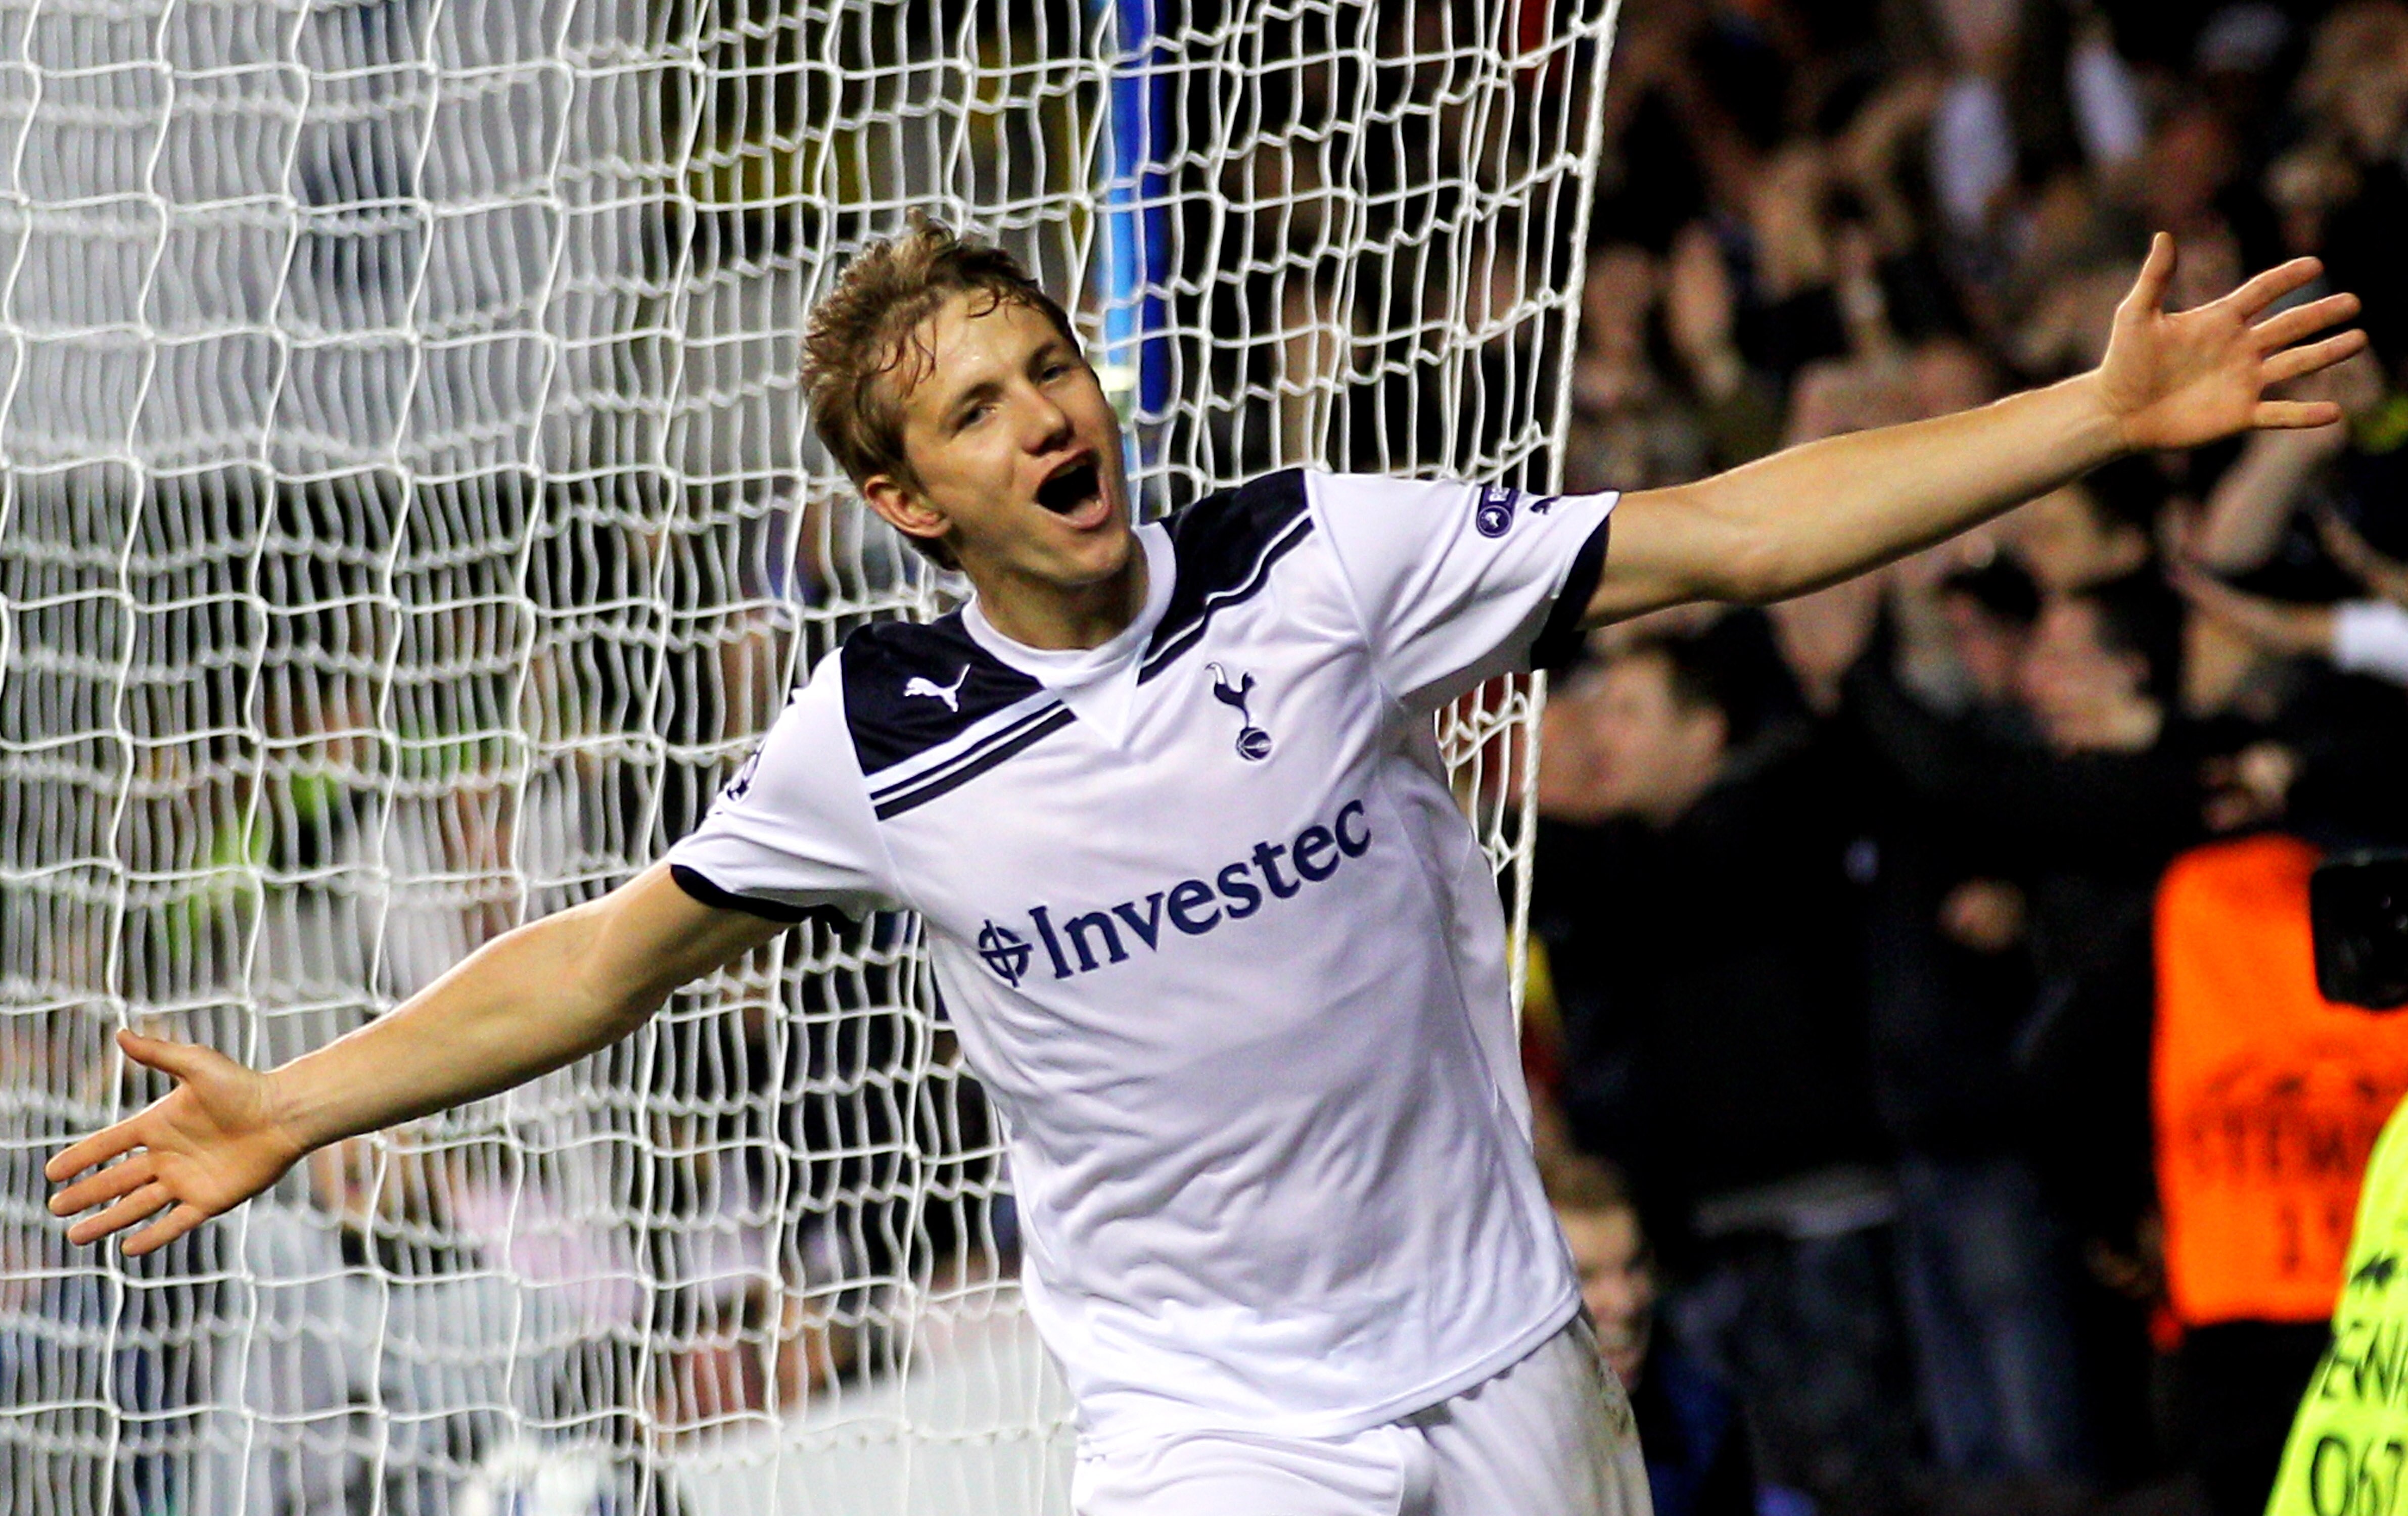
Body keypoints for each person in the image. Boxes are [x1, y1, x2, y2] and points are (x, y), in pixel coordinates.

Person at [44, 221, 2363, 1512]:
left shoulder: (1318, 559)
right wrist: (298, 1102)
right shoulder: (873, 735)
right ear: (905, 503)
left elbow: (1729, 534)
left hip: (1496, 1348)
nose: (1051, 415)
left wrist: (2094, 412)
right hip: (1205, 1416)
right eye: (979, 408)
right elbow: (598, 965)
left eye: (1052, 366)